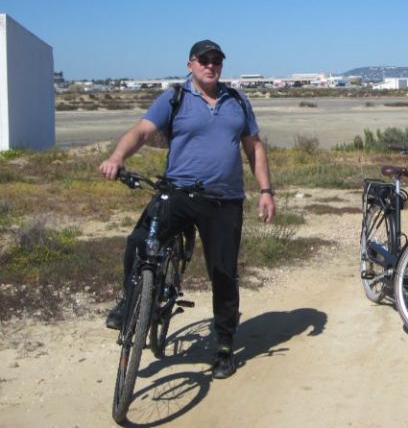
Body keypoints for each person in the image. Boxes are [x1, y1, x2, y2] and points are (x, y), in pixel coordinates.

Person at [99, 39, 276, 379]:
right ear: (190, 64)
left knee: (223, 274)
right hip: (178, 192)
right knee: (138, 242)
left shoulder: (237, 101)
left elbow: (254, 148)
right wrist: (116, 157)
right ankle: (129, 301)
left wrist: (266, 191)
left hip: (224, 200)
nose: (211, 65)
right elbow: (141, 131)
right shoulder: (174, 98)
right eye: (204, 59)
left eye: (217, 60)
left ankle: (225, 346)